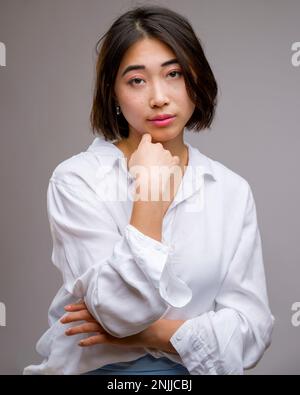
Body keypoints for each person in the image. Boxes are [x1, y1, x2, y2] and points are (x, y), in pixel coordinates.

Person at [23, 5, 274, 375]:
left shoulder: (230, 190)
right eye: (137, 80)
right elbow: (118, 311)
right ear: (114, 94)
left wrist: (149, 335)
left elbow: (252, 331)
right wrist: (150, 198)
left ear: (196, 79)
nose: (159, 96)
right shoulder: (77, 180)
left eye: (173, 74)